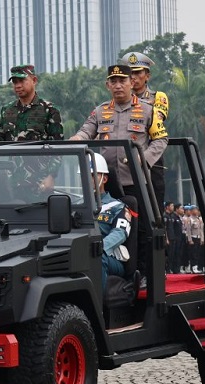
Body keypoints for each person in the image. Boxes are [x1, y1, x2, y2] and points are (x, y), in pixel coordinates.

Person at [70, 64, 168, 278]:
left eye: (122, 81)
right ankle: (113, 271)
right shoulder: (100, 111)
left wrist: (145, 161)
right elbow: (86, 132)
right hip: (107, 183)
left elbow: (161, 139)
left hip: (137, 180)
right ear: (107, 85)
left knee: (142, 230)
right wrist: (76, 139)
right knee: (105, 226)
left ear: (131, 83)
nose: (118, 86)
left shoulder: (147, 110)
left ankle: (143, 275)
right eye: (113, 82)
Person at [121, 52, 169, 205]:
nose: (133, 77)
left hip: (150, 157)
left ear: (147, 76)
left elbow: (155, 120)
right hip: (124, 158)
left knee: (154, 204)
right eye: (129, 73)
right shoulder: (117, 101)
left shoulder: (157, 97)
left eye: (137, 73)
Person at [0, 64, 64, 143]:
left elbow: (57, 146)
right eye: (15, 82)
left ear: (34, 80)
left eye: (22, 81)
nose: (18, 86)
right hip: (13, 155)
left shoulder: (50, 110)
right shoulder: (6, 110)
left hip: (38, 155)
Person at [91, 153, 131, 291]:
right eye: (83, 176)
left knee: (96, 259)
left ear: (105, 178)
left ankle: (97, 309)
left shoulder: (117, 206)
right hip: (82, 251)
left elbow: (120, 232)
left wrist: (98, 248)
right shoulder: (74, 205)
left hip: (108, 256)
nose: (87, 180)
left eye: (92, 175)